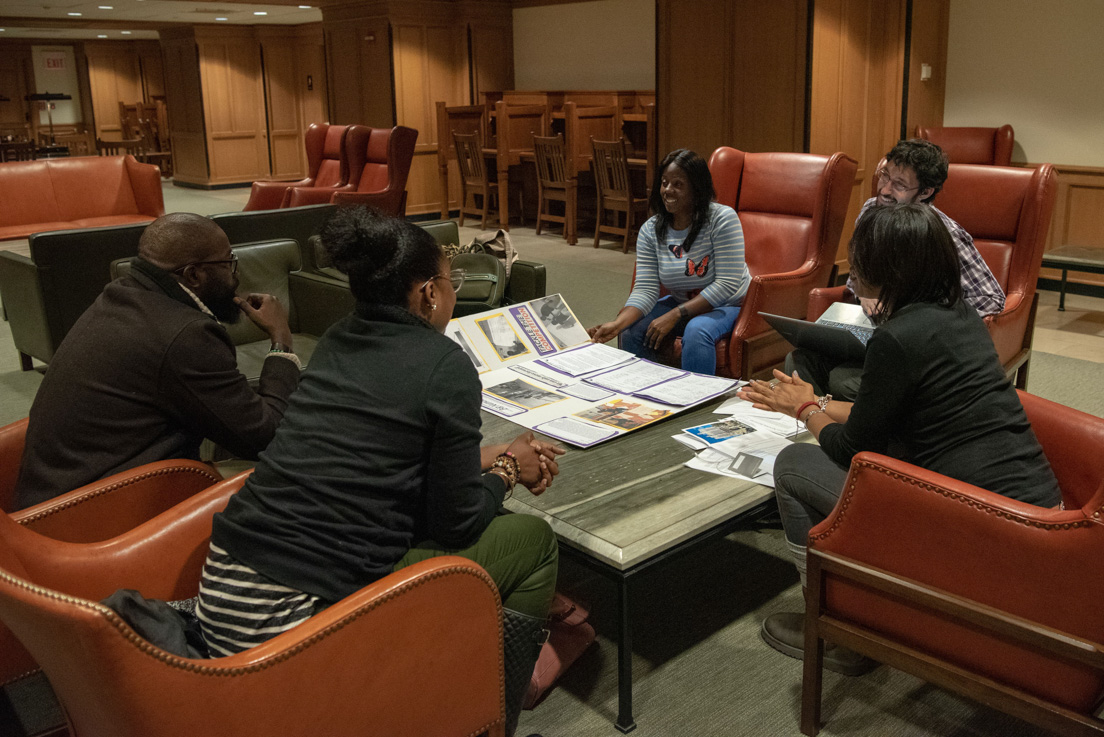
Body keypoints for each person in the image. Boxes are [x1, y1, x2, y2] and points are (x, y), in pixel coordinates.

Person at [196, 207, 564, 737]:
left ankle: (443, 669)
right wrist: (508, 467)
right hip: (291, 629)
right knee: (531, 539)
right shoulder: (444, 364)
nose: (453, 291)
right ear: (427, 293)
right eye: (450, 280)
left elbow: (378, 455)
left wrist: (489, 458)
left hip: (224, 594)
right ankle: (489, 711)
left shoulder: (338, 338)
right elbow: (457, 522)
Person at [738, 203, 1060, 676]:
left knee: (791, 465)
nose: (853, 271)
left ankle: (838, 627)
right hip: (1037, 515)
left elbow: (851, 450)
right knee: (861, 450)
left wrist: (804, 411)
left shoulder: (897, 338)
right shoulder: (960, 315)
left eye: (859, 258)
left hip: (979, 526)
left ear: (890, 267)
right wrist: (816, 403)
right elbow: (888, 416)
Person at [14, 212, 300, 510]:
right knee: (289, 481)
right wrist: (281, 339)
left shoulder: (120, 295)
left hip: (53, 491)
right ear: (193, 275)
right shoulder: (187, 335)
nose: (235, 276)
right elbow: (267, 436)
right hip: (92, 515)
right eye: (229, 263)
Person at [787, 138, 1006, 399]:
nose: (885, 190)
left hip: (915, 341)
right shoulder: (870, 211)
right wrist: (865, 293)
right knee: (799, 361)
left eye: (900, 185)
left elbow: (990, 299)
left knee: (843, 381)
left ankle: (852, 433)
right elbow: (857, 271)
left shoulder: (942, 233)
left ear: (925, 192)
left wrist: (921, 315)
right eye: (884, 176)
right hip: (871, 329)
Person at [588, 149, 751, 375]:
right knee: (631, 330)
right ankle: (642, 397)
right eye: (664, 183)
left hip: (730, 304)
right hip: (682, 302)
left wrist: (675, 314)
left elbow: (728, 283)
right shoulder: (651, 230)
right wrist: (618, 324)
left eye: (678, 184)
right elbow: (645, 289)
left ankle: (697, 400)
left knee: (697, 330)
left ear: (696, 189)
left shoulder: (722, 219)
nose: (667, 190)